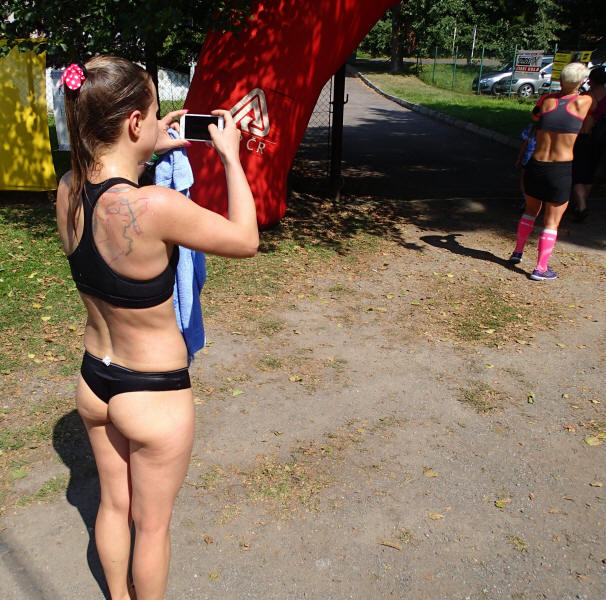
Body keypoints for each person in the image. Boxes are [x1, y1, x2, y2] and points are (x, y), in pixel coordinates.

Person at [55, 56, 258, 600]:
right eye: (151, 113)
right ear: (133, 123)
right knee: (152, 526)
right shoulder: (156, 206)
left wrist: (146, 147)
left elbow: (110, 190)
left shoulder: (68, 188)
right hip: (153, 391)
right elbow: (245, 239)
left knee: (112, 505)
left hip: (95, 380)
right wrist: (230, 156)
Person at [508, 62, 592, 280]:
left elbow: (535, 117)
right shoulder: (584, 101)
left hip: (536, 165)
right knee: (551, 221)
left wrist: (558, 93)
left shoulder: (547, 101)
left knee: (530, 211)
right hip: (559, 169)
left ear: (561, 79)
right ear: (581, 82)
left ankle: (517, 252)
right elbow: (588, 117)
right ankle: (540, 268)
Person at [570, 65, 606, 221]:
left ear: (591, 80)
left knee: (578, 172)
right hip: (601, 140)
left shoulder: (586, 97)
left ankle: (582, 206)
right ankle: (580, 203)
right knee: (590, 173)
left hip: (583, 137)